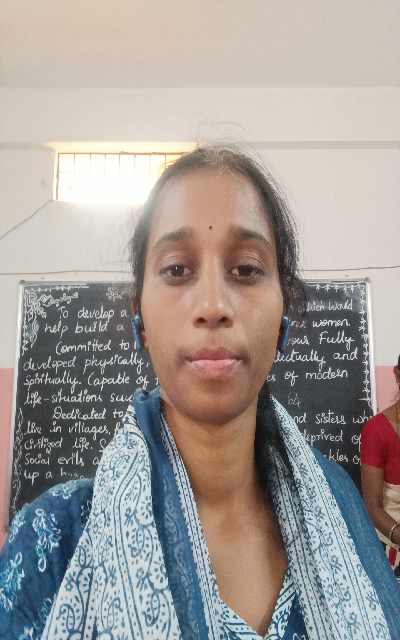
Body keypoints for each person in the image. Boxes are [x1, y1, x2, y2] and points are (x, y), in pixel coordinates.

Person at [1, 146, 399, 640]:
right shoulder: (52, 541)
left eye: (247, 269)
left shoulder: (343, 516)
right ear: (139, 317)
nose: (212, 305)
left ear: (285, 310)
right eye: (176, 269)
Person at [361, 355, 400, 583]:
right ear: (397, 374)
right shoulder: (376, 431)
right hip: (391, 549)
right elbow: (372, 507)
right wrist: (397, 533)